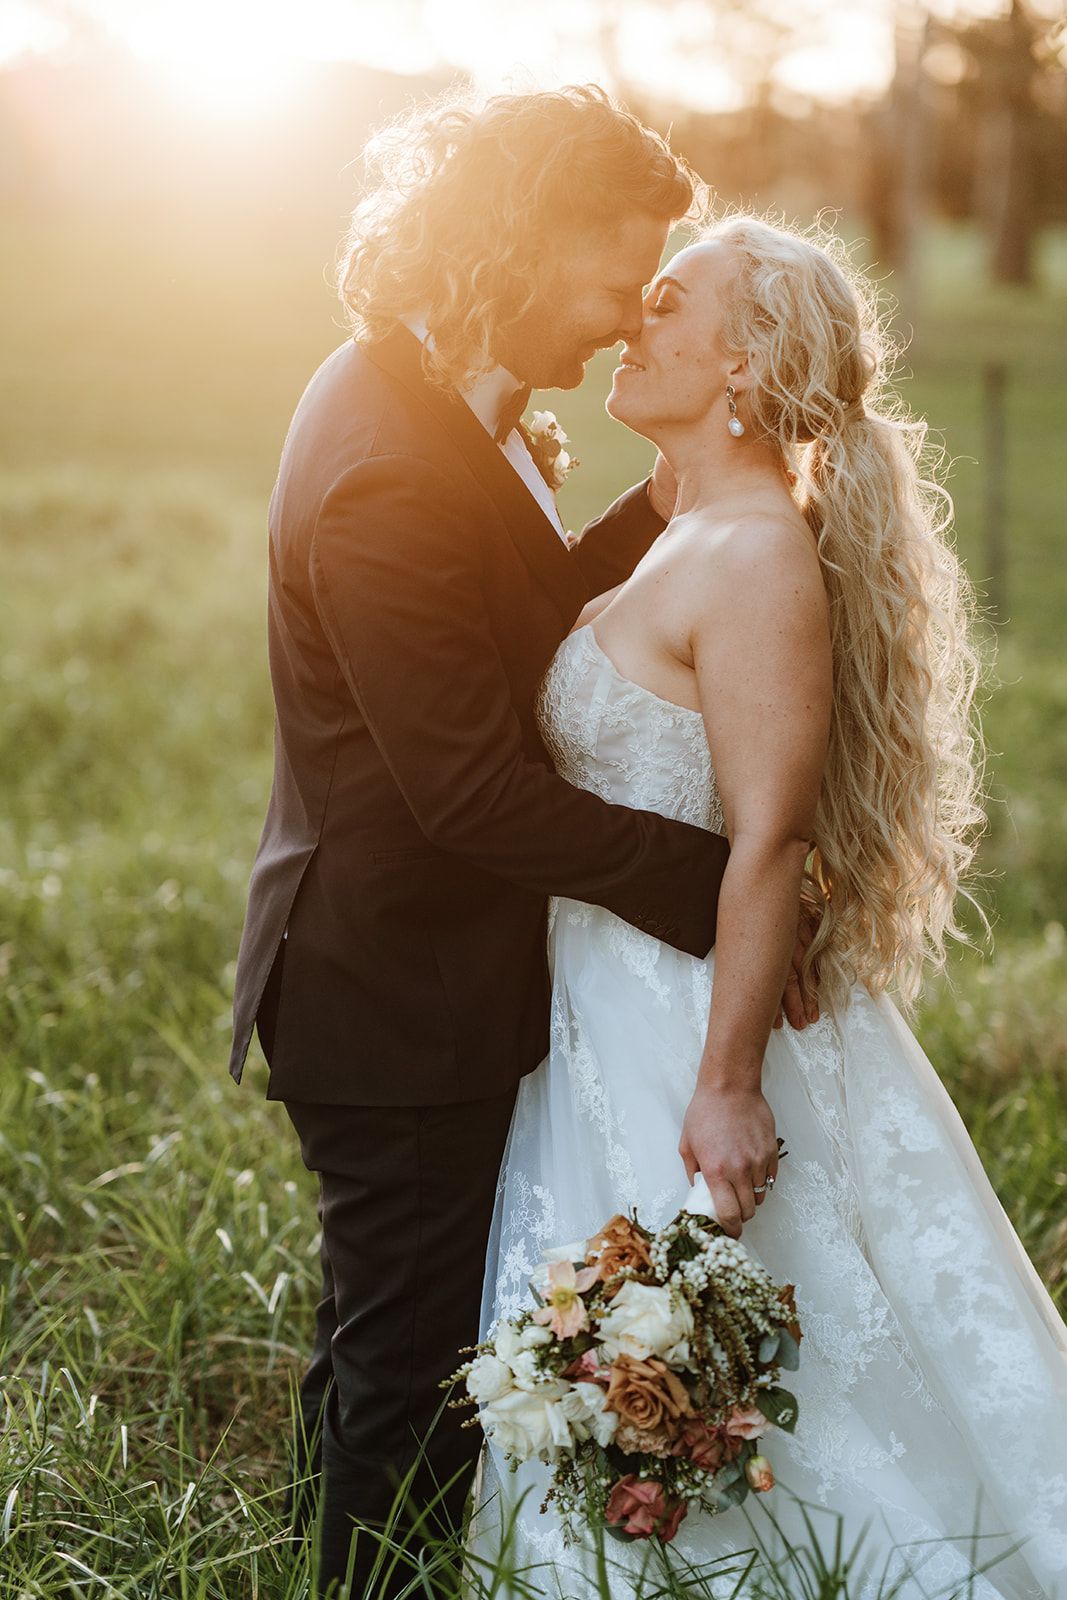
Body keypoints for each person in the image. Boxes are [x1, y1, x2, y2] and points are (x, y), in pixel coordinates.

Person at [226, 92, 819, 1600]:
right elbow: (471, 792)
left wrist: (672, 503)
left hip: (409, 979)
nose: (631, 310)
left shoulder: (426, 405)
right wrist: (724, 885)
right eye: (616, 274)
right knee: (411, 1378)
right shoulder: (387, 464)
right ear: (517, 239)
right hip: (391, 995)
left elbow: (519, 619)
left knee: (382, 1342)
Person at [472, 215, 1067, 1599]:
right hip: (602, 1007)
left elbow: (772, 836)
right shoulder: (691, 531)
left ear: (742, 360)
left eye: (669, 302)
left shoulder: (752, 559)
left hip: (694, 1025)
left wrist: (730, 1083)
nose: (635, 317)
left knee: (778, 1376)